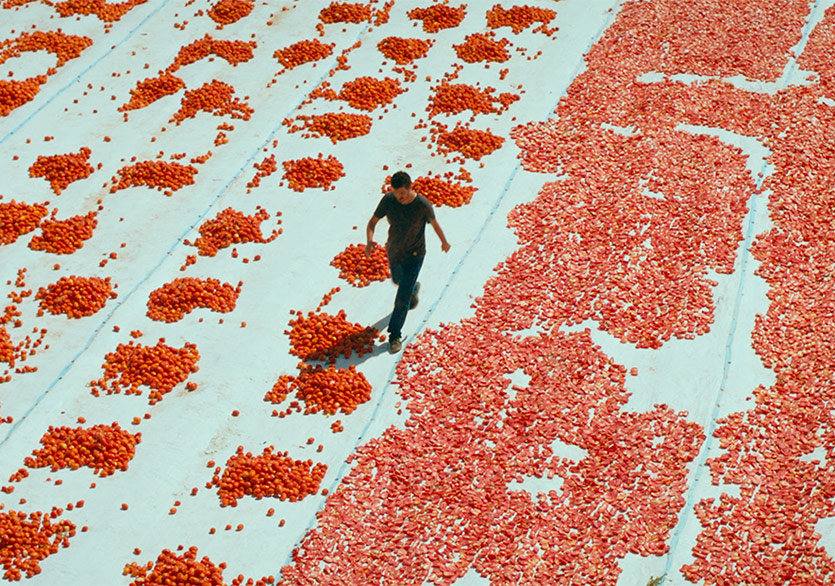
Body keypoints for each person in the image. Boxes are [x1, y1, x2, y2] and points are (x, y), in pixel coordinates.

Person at [366, 170, 451, 353]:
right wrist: (369, 240)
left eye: (402, 193)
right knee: (398, 280)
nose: (399, 197)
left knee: (401, 299)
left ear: (409, 187)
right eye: (396, 193)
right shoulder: (388, 200)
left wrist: (444, 241)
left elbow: (434, 224)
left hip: (415, 255)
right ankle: (413, 288)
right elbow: (372, 222)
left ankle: (394, 335)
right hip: (394, 251)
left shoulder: (422, 205)